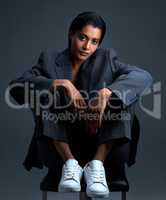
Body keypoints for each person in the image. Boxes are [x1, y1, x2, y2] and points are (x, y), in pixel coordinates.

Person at [9, 12, 153, 198]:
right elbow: (16, 86)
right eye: (82, 37)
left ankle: (96, 165)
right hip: (59, 146)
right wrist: (60, 83)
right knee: (48, 92)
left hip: (101, 143)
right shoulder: (50, 60)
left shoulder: (106, 58)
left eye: (94, 41)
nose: (87, 46)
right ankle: (70, 164)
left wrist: (107, 93)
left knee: (123, 95)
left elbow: (144, 77)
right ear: (71, 34)